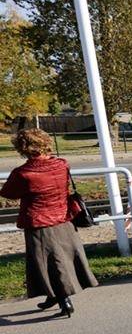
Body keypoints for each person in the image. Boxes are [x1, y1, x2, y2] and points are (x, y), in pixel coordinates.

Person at [0, 129, 97, 317]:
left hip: (39, 224)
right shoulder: (62, 164)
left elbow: (9, 193)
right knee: (62, 260)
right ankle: (52, 296)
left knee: (49, 264)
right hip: (64, 219)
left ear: (23, 148)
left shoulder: (23, 173)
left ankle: (64, 302)